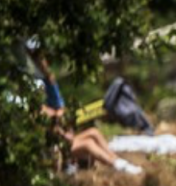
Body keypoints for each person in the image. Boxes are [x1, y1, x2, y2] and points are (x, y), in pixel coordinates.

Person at [27, 41, 143, 176]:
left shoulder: (47, 95)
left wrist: (61, 122)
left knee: (94, 132)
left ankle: (117, 161)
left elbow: (60, 111)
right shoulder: (35, 111)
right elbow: (49, 123)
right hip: (55, 150)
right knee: (88, 144)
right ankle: (119, 166)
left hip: (64, 141)